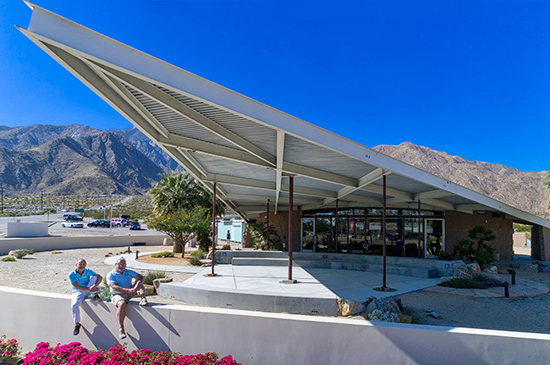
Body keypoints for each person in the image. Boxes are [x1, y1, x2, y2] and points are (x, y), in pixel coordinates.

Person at [107, 258, 148, 339]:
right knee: (121, 304)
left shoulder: (128, 271)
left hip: (129, 292)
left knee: (140, 285)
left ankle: (143, 299)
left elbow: (140, 277)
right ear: (115, 264)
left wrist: (137, 285)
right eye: (119, 264)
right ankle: (121, 329)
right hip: (117, 294)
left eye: (123, 264)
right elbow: (114, 287)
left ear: (125, 265)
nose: (121, 266)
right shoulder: (111, 274)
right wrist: (128, 290)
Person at [69, 259, 103, 336]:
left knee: (95, 277)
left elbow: (100, 276)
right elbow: (76, 286)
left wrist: (93, 286)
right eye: (80, 264)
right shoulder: (71, 274)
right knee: (74, 305)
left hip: (89, 288)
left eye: (83, 264)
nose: (82, 266)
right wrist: (89, 289)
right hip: (78, 290)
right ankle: (77, 324)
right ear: (76, 265)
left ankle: (96, 295)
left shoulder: (87, 271)